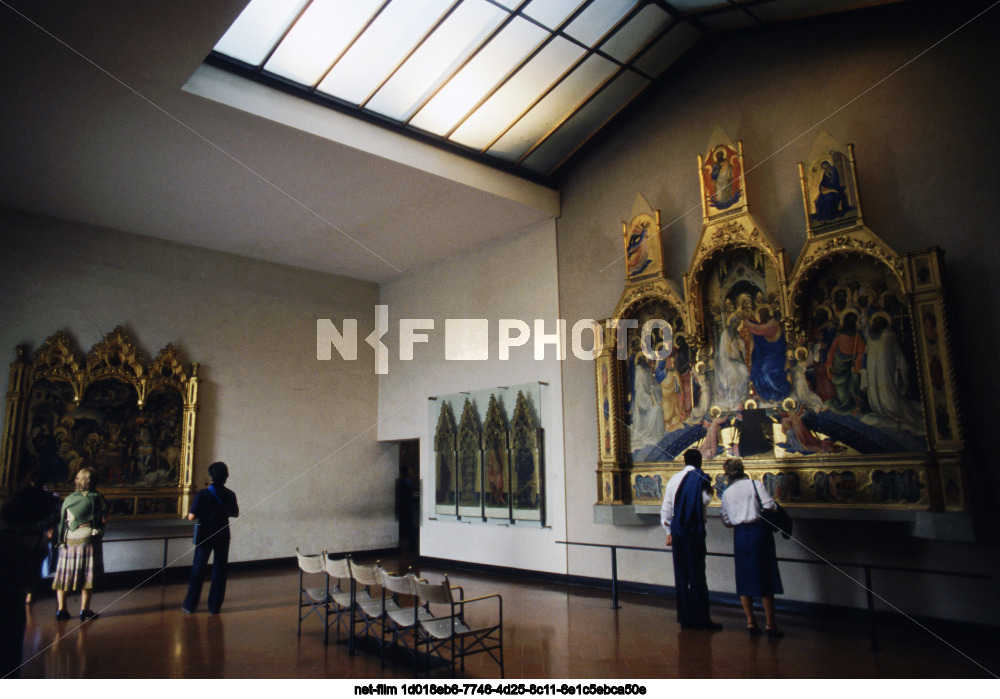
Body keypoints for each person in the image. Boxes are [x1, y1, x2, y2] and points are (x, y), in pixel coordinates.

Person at [719, 458, 783, 638]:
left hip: (740, 535)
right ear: (742, 470)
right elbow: (769, 505)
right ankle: (770, 624)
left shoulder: (727, 492)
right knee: (765, 577)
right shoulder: (755, 485)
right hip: (759, 532)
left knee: (744, 577)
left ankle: (750, 622)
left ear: (727, 474)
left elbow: (726, 520)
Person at [1, 477, 56, 678]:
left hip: (6, 600)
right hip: (15, 602)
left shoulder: (10, 539)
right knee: (10, 657)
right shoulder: (38, 539)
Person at [660, 449, 721, 630]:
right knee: (697, 575)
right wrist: (710, 492)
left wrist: (668, 531)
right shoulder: (700, 477)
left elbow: (666, 509)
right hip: (694, 531)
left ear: (684, 461)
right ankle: (702, 619)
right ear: (700, 461)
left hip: (678, 532)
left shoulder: (673, 480)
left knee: (681, 574)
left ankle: (685, 618)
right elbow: (704, 501)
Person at [52, 467, 109, 622]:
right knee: (88, 574)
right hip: (88, 537)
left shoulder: (69, 499)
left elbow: (63, 522)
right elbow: (102, 519)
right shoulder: (96, 497)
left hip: (69, 538)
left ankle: (61, 610)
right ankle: (85, 610)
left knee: (64, 575)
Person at [182, 461, 239, 614]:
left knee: (198, 569)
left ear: (211, 476)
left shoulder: (202, 494)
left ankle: (190, 604)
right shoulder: (230, 494)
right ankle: (214, 606)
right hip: (222, 534)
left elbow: (191, 517)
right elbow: (235, 513)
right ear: (226, 476)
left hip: (205, 534)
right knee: (220, 570)